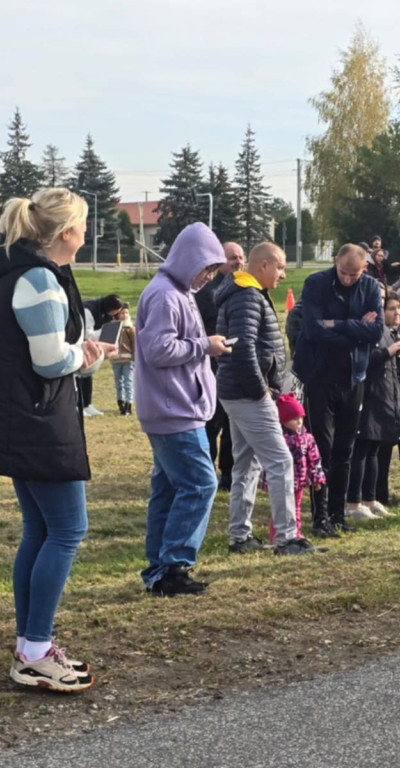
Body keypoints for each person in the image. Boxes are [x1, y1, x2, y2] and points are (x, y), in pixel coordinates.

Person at [0, 189, 108, 693]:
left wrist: (83, 351)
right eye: (84, 225)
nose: (88, 234)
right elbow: (50, 361)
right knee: (67, 531)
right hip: (39, 424)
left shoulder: (22, 274)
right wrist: (89, 357)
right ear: (66, 233)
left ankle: (31, 645)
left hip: (22, 420)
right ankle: (35, 652)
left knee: (40, 531)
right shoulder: (40, 280)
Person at [135, 222, 231, 595]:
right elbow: (159, 350)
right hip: (174, 409)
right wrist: (205, 346)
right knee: (200, 483)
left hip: (173, 406)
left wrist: (204, 345)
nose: (209, 277)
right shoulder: (166, 296)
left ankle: (160, 570)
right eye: (207, 268)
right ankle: (175, 564)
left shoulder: (177, 291)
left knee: (168, 488)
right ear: (191, 260)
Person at [216, 242, 314, 556]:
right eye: (281, 268)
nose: (283, 275)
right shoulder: (247, 296)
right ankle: (287, 538)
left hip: (238, 391)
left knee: (246, 463)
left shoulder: (246, 293)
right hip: (248, 393)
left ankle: (240, 535)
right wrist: (261, 391)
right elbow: (243, 348)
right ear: (264, 266)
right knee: (280, 461)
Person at [292, 243, 384, 538]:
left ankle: (337, 511)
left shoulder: (370, 287)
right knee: (321, 448)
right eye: (343, 273)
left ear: (364, 269)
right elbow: (312, 330)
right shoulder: (317, 283)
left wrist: (339, 325)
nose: (347, 279)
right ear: (335, 263)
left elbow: (376, 331)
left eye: (354, 275)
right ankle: (319, 516)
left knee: (345, 449)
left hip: (353, 377)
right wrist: (355, 330)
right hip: (319, 377)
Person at [348, 292, 400, 515]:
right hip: (373, 395)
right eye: (392, 308)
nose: (398, 313)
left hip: (391, 396)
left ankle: (371, 499)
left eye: (399, 309)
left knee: (375, 448)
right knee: (365, 450)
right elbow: (362, 359)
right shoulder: (368, 329)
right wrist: (392, 350)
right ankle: (357, 501)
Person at [197, 242, 245, 490]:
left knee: (231, 424)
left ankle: (228, 473)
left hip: (235, 365)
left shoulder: (244, 287)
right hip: (212, 367)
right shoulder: (208, 292)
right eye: (232, 258)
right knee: (211, 423)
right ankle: (206, 471)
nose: (238, 261)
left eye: (240, 257)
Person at [266, 393, 325, 543]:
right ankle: (276, 534)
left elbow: (314, 459)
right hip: (280, 481)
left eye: (301, 418)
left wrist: (316, 478)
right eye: (294, 419)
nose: (299, 422)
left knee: (296, 507)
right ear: (282, 420)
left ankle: (296, 532)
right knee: (279, 508)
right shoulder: (278, 438)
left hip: (298, 481)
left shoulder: (307, 438)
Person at [79, 293, 125, 416]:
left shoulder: (108, 314)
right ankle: (79, 405)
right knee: (80, 376)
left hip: (93, 347)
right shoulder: (88, 310)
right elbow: (87, 334)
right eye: (114, 312)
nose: (114, 315)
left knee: (88, 375)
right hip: (80, 344)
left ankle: (87, 404)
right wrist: (106, 330)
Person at [110, 302, 136, 416]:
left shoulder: (129, 328)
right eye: (122, 313)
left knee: (128, 381)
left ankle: (128, 404)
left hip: (128, 359)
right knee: (118, 382)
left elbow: (134, 344)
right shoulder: (113, 327)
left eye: (126, 313)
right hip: (116, 359)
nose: (124, 315)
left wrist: (135, 358)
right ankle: (120, 402)